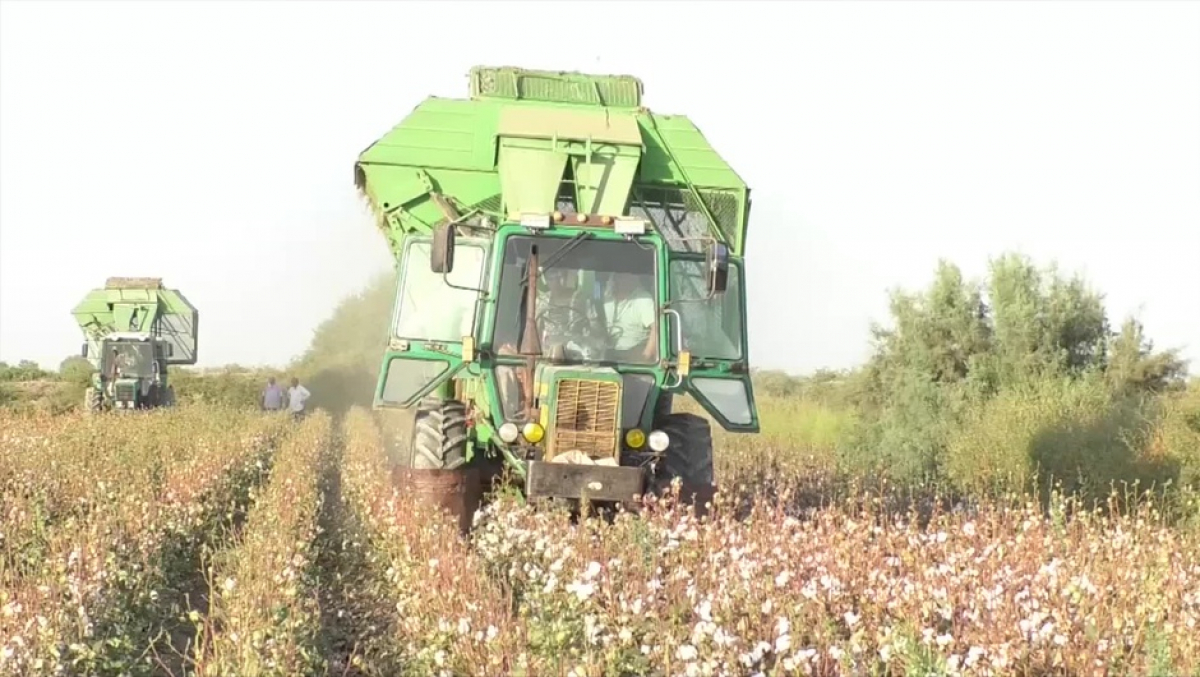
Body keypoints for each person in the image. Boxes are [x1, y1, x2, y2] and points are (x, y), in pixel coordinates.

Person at [603, 272, 658, 362]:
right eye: (616, 276)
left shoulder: (643, 299)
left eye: (623, 276)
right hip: (609, 352)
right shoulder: (607, 299)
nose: (617, 280)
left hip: (635, 352)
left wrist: (646, 356)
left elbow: (656, 328)